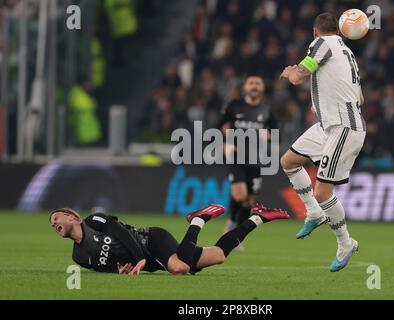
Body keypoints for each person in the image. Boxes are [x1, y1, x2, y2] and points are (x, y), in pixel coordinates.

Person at [278, 13, 366, 272]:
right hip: (329, 124)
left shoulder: (321, 44)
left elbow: (298, 77)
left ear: (315, 31)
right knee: (289, 161)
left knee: (323, 192)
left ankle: (345, 242)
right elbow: (360, 99)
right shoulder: (347, 53)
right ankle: (314, 213)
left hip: (343, 127)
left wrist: (289, 71)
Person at [49, 204, 288, 275]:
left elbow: (121, 232)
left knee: (179, 267)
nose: (55, 224)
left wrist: (140, 259)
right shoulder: (78, 257)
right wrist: (118, 271)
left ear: (72, 217)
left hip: (151, 240)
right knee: (219, 255)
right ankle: (258, 218)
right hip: (151, 262)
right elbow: (105, 269)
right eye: (52, 225)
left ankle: (199, 219)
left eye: (57, 218)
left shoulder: (93, 221)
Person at [216, 75, 277, 245]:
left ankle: (237, 234)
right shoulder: (234, 106)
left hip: (256, 159)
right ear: (246, 87)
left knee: (249, 200)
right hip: (236, 155)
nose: (254, 86)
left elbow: (275, 132)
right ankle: (231, 227)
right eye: (251, 83)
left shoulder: (267, 109)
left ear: (262, 87)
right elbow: (217, 126)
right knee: (240, 194)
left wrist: (269, 135)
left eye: (258, 83)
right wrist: (223, 144)